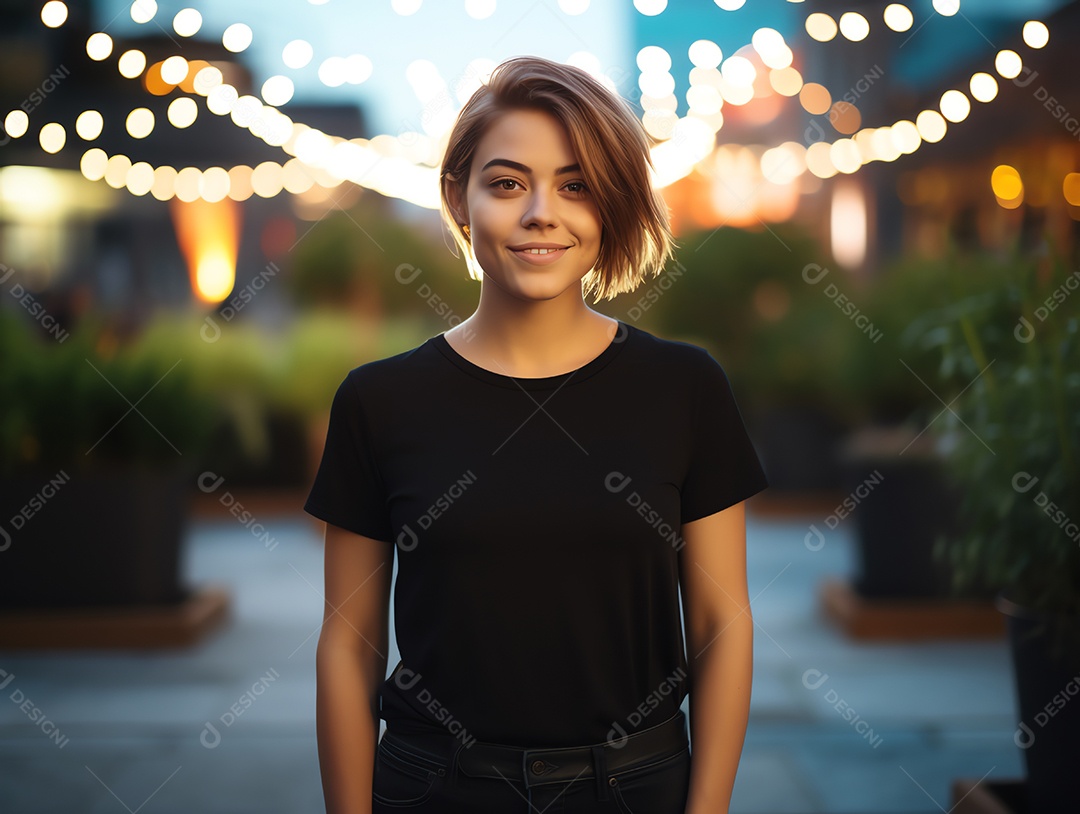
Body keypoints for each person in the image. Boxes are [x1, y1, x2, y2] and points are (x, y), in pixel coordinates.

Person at [304, 54, 769, 814]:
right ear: (459, 198)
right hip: (435, 790)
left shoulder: (685, 388)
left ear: (612, 204)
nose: (540, 213)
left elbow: (722, 621)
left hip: (636, 790)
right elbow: (348, 643)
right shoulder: (378, 400)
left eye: (576, 185)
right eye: (507, 183)